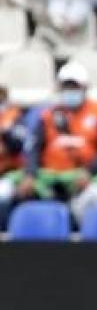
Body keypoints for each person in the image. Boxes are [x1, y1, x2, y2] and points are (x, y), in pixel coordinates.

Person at [0, 62, 97, 225]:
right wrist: (30, 175)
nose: (71, 91)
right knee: (5, 192)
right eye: (67, 86)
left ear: (85, 87)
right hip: (49, 177)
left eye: (75, 87)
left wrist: (89, 172)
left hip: (87, 177)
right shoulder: (48, 115)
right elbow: (33, 148)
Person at [0, 83, 26, 228]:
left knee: (2, 196)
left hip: (7, 173)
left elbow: (18, 145)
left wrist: (5, 132)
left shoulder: (14, 116)